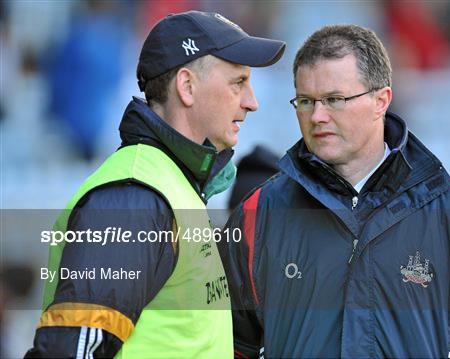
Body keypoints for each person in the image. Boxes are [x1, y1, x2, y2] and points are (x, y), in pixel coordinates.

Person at [222, 25, 450, 358]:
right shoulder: (259, 213)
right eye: (305, 101)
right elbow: (225, 345)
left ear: (381, 100)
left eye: (334, 99)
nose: (317, 116)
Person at [26, 11, 285, 358]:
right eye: (238, 83)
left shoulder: (171, 183)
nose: (252, 101)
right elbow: (70, 351)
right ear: (187, 86)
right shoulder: (134, 197)